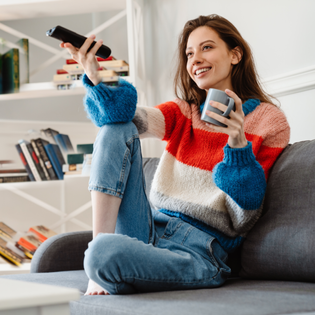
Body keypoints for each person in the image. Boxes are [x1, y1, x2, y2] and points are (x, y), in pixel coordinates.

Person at [60, 14, 290, 296]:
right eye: (189, 53)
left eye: (206, 48)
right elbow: (120, 116)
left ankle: (105, 262)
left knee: (104, 254)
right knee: (115, 129)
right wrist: (97, 76)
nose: (194, 60)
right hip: (148, 230)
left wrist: (238, 144)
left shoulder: (269, 121)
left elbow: (245, 216)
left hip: (200, 251)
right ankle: (99, 264)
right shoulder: (184, 112)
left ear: (235, 54)